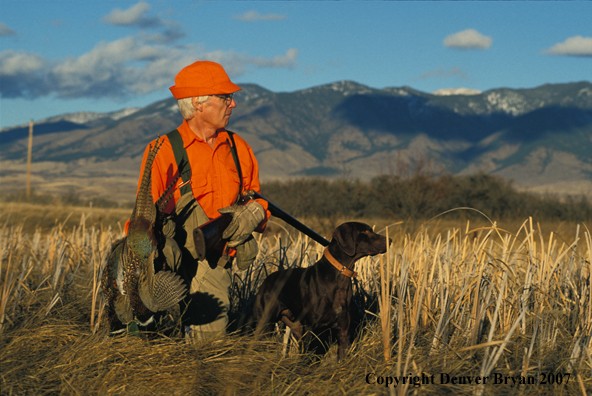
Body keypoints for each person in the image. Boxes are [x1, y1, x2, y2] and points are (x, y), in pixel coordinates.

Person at [129, 60, 269, 342]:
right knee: (142, 340)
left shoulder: (239, 148)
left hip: (215, 260)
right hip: (171, 257)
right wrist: (143, 269)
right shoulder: (165, 149)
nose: (233, 104)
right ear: (198, 102)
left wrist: (254, 213)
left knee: (208, 345)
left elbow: (256, 199)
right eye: (226, 97)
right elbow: (142, 219)